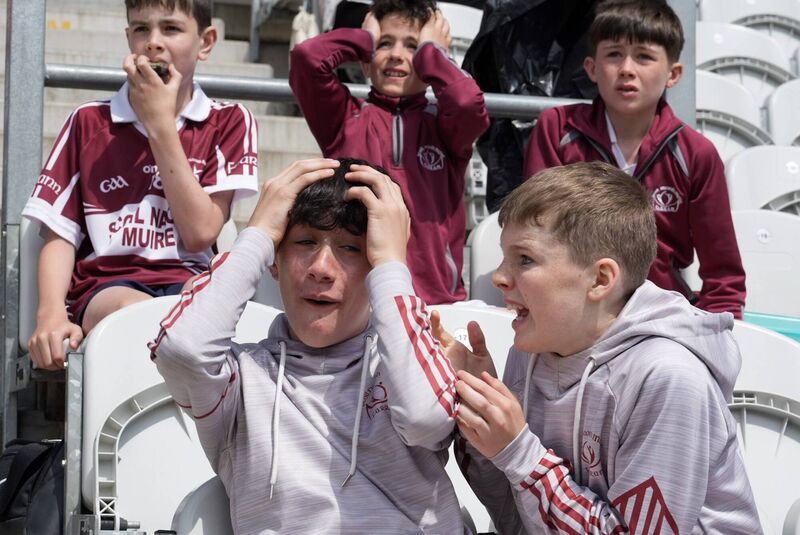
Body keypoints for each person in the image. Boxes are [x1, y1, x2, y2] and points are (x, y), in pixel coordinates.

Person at [435, 161, 761, 534]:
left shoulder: (668, 377)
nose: (498, 278)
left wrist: (519, 452)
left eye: (524, 259)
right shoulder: (529, 352)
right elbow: (515, 520)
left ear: (600, 279)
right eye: (503, 257)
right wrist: (480, 415)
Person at [149, 158, 467, 533]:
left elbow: (425, 419)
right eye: (304, 241)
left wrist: (391, 268)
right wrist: (258, 234)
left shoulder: (408, 362)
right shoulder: (240, 380)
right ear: (273, 261)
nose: (322, 267)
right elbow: (182, 350)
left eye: (351, 248)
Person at [23, 0, 258, 370]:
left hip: (189, 280)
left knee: (200, 314)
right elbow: (58, 234)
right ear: (128, 38)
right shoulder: (87, 121)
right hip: (108, 286)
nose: (153, 42)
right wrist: (50, 315)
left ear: (206, 42)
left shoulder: (229, 121)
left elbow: (200, 233)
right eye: (140, 29)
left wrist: (159, 125)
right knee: (132, 314)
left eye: (171, 29)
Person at [523, 0, 746, 318]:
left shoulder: (697, 154)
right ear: (591, 68)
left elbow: (724, 278)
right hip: (570, 317)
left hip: (661, 321)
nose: (627, 68)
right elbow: (536, 233)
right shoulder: (556, 129)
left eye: (644, 56)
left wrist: (718, 339)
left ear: (674, 73)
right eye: (613, 54)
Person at [289, 0, 489, 305]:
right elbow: (306, 59)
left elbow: (467, 103)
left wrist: (433, 54)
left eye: (413, 46)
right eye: (384, 43)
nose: (397, 55)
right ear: (366, 62)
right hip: (356, 304)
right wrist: (362, 39)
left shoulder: (445, 128)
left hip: (434, 301)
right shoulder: (343, 118)